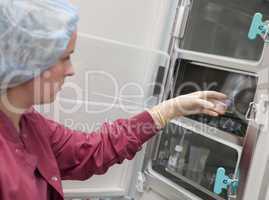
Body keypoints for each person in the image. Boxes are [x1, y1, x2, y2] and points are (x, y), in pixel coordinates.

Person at [0, 0, 228, 200]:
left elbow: (90, 151)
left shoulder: (29, 123)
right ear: (28, 59)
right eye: (65, 58)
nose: (70, 71)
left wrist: (166, 111)